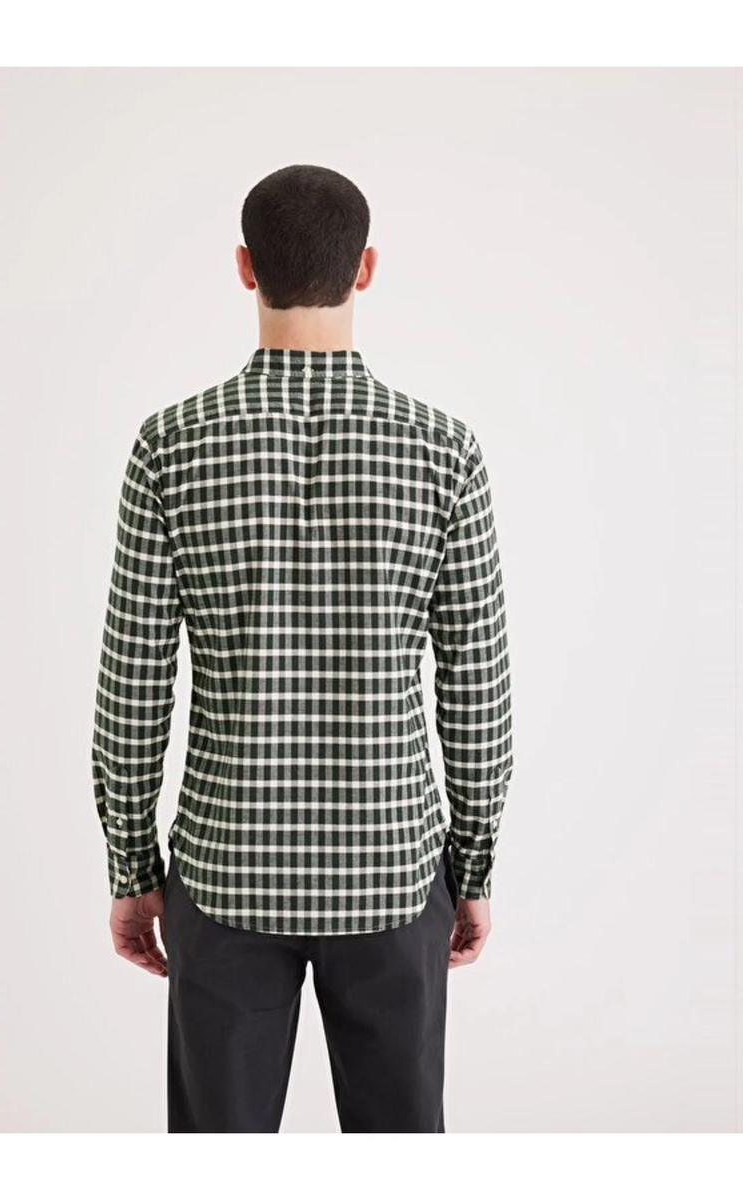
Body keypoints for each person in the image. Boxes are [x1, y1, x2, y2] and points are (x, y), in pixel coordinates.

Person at [91, 164, 513, 1134]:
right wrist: (473, 865)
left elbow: (131, 686)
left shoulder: (169, 446)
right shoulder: (443, 451)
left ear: (245, 268)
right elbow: (477, 689)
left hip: (225, 874)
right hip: (392, 869)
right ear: (365, 269)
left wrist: (130, 866)